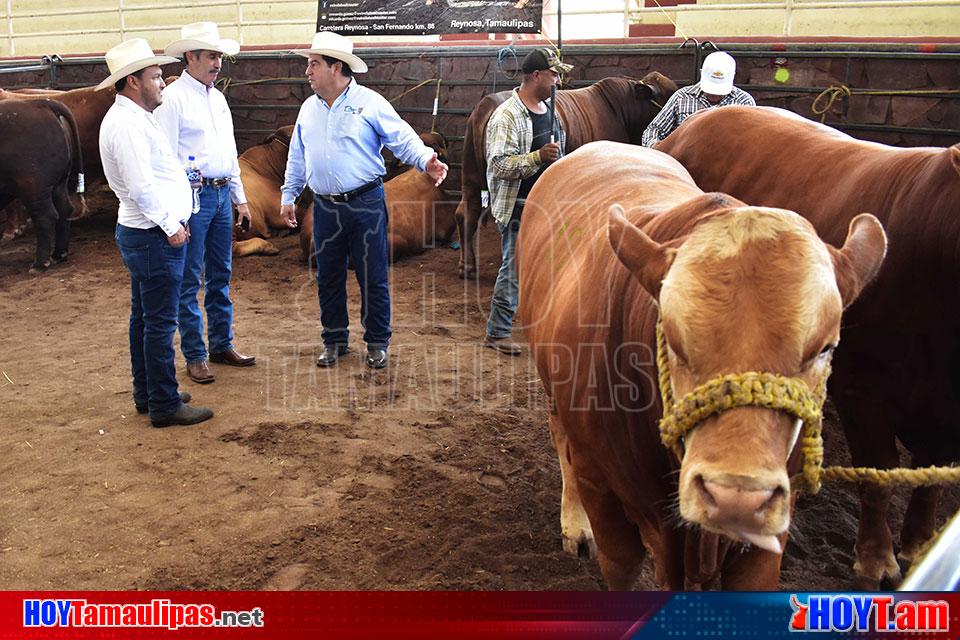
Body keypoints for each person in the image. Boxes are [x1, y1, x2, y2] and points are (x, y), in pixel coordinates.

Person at [279, 31, 448, 370]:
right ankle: (334, 339)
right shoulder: (308, 109)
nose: (308, 72)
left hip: (366, 202)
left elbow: (401, 138)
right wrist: (289, 194)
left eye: (314, 64)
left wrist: (426, 159)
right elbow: (298, 156)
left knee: (372, 275)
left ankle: (376, 341)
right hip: (325, 205)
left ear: (336, 67)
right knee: (327, 275)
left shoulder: (370, 103)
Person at [97, 38, 214, 427]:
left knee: (146, 318)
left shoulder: (132, 118)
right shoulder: (128, 124)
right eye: (155, 76)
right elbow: (140, 187)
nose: (163, 81)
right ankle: (163, 403)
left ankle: (149, 392)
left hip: (145, 233)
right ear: (133, 82)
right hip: (154, 235)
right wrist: (172, 226)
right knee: (159, 322)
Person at [154, 22, 256, 385]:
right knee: (191, 278)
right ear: (191, 57)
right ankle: (196, 354)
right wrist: (175, 211)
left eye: (218, 56)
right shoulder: (172, 98)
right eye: (211, 56)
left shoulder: (218, 97)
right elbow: (164, 157)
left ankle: (220, 344)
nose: (218, 63)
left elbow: (229, 151)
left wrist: (239, 198)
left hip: (219, 192)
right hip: (193, 198)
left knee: (220, 274)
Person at [483, 47, 570, 356]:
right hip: (517, 205)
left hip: (546, 203)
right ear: (536, 75)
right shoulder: (506, 116)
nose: (558, 80)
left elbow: (560, 152)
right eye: (554, 74)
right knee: (514, 267)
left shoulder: (551, 110)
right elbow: (499, 165)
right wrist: (538, 157)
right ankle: (498, 331)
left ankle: (540, 323)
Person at [641, 51, 755, 147]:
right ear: (702, 74)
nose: (714, 95)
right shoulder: (681, 97)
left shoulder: (744, 103)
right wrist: (656, 149)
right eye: (710, 89)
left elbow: (752, 141)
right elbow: (653, 130)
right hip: (684, 162)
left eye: (719, 91)